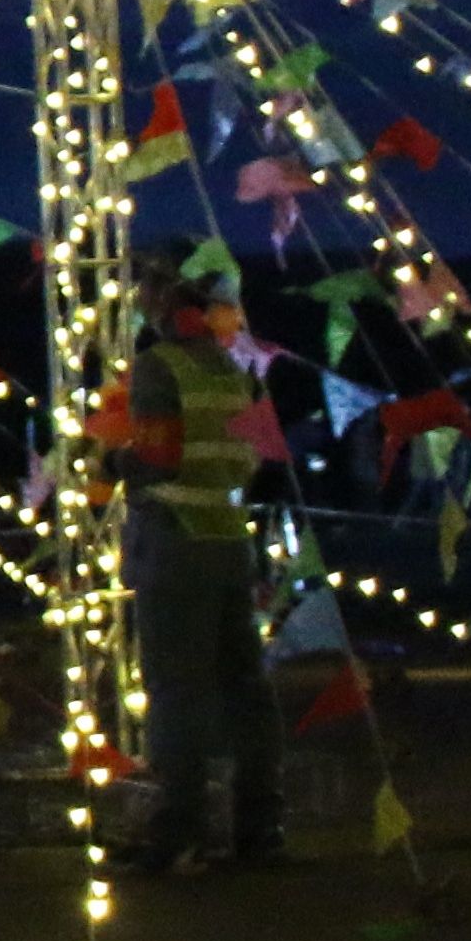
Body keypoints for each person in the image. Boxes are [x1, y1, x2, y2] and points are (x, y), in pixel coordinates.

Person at [101, 252, 283, 871]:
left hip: (176, 537)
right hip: (231, 538)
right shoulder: (234, 370)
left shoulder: (160, 367)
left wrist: (113, 463)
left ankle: (177, 832)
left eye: (148, 288)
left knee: (176, 693)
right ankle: (260, 828)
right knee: (244, 691)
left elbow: (158, 458)